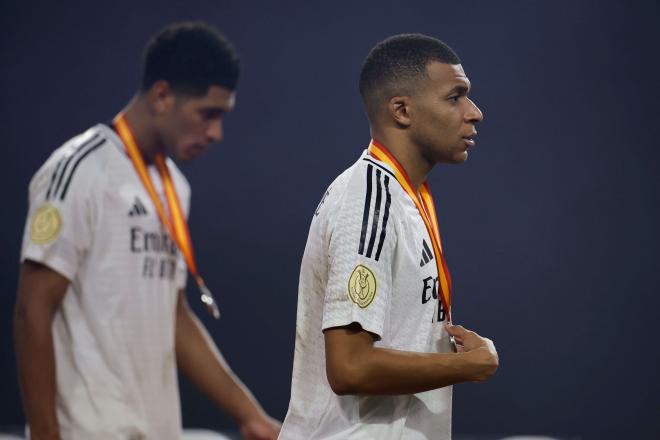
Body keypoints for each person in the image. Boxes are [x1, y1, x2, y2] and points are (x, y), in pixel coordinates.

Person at [14, 22, 280, 440]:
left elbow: (174, 316)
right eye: (208, 114)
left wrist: (250, 415)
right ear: (161, 96)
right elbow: (32, 311)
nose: (216, 133)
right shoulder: (78, 169)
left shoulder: (175, 186)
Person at [279, 34, 499, 439]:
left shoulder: (404, 200)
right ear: (401, 110)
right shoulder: (368, 199)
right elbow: (350, 367)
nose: (475, 113)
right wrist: (467, 366)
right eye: (455, 97)